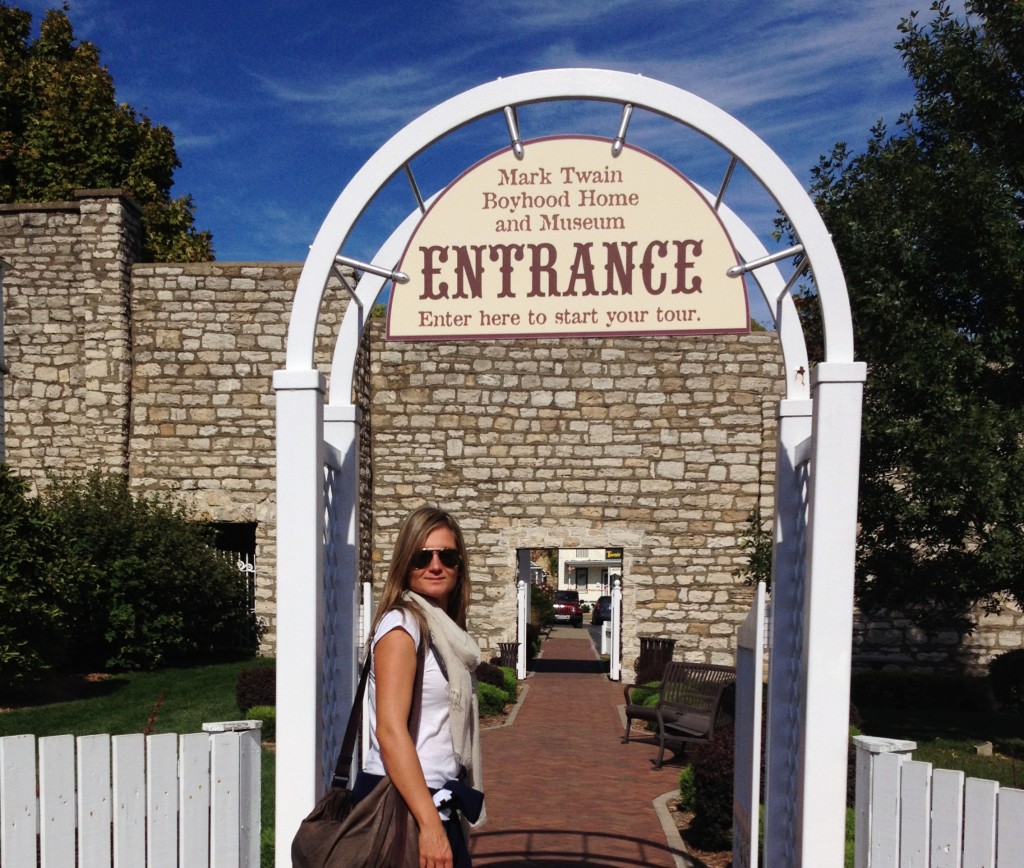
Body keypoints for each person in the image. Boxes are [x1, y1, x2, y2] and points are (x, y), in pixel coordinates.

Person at [352, 506, 483, 868]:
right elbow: (391, 731)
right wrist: (428, 825)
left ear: (460, 566)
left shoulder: (444, 631)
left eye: (448, 556)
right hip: (403, 805)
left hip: (436, 800)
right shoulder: (402, 626)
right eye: (423, 557)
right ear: (404, 564)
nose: (436, 565)